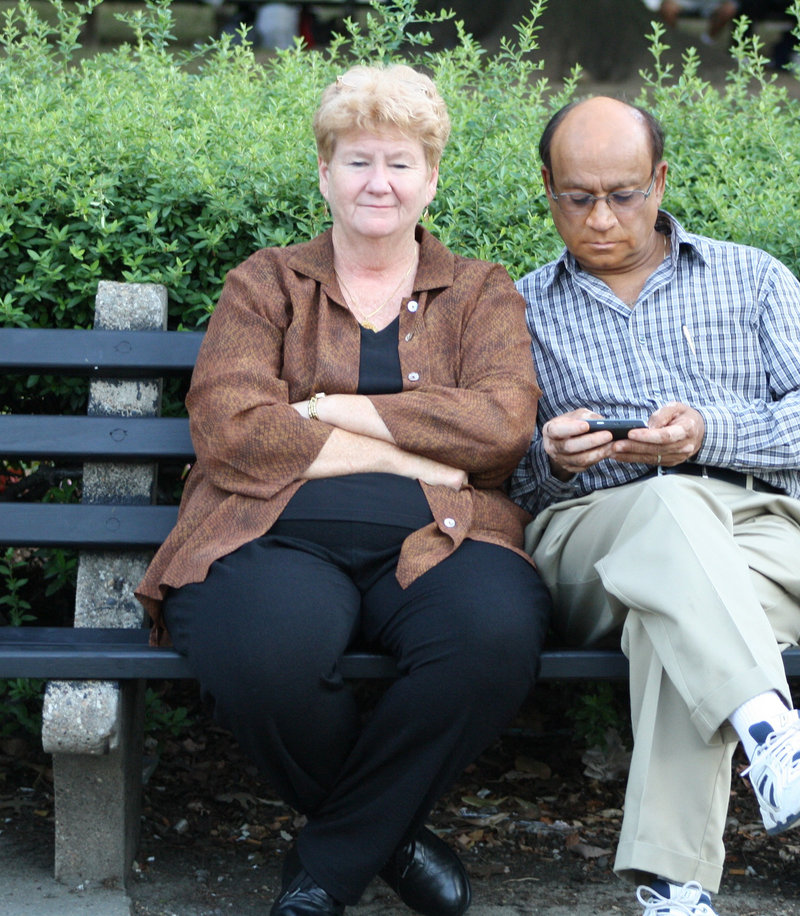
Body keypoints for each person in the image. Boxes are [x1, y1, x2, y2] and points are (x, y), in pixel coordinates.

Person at [136, 64, 552, 916]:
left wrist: (331, 408)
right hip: (269, 531)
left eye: (401, 163)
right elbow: (230, 427)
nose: (379, 183)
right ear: (324, 172)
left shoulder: (481, 291)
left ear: (432, 177)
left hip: (445, 533)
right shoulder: (265, 284)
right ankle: (388, 842)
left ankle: (328, 864)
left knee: (491, 638)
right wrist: (407, 455)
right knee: (261, 654)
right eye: (357, 161)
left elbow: (502, 425)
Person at [509, 97, 800, 916]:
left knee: (668, 622)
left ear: (661, 180)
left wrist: (709, 431)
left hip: (759, 537)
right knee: (665, 507)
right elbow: (506, 479)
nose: (602, 217)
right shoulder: (519, 307)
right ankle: (774, 736)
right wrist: (551, 457)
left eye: (625, 194)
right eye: (578, 197)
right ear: (547, 188)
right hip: (593, 541)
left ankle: (675, 890)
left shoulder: (753, 276)